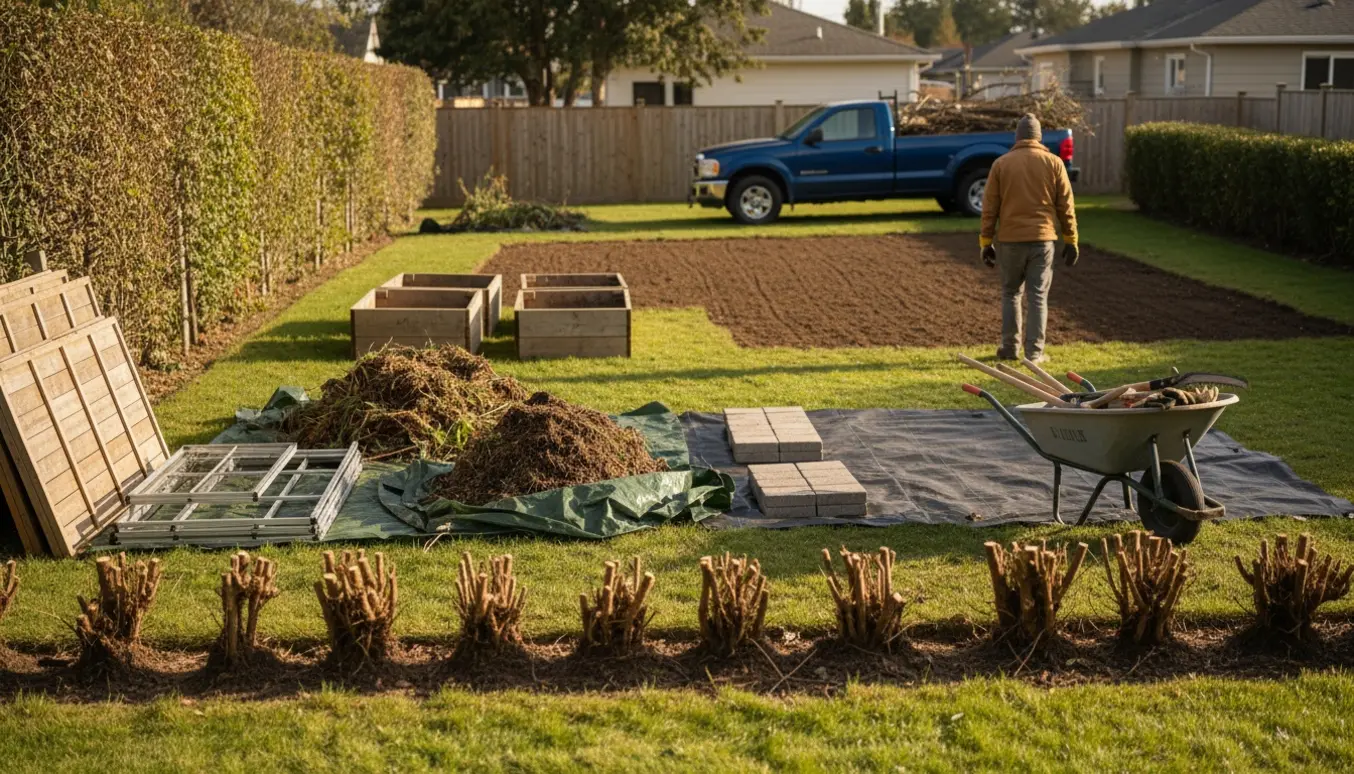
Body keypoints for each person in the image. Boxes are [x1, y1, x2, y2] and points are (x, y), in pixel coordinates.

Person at [978, 113, 1078, 364]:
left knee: (1011, 292)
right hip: (1043, 240)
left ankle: (1009, 348)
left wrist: (985, 242)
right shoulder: (1054, 163)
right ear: (1039, 137)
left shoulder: (1001, 164)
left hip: (1010, 240)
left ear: (1017, 137)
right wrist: (1071, 239)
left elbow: (989, 208)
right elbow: (1066, 206)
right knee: (1037, 296)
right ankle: (1034, 353)